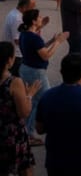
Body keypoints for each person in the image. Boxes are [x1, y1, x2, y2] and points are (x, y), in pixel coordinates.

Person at [19, 9, 67, 146]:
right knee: (46, 99)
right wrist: (58, 42)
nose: (41, 19)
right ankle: (33, 130)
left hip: (27, 68)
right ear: (33, 21)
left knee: (34, 100)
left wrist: (52, 40)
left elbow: (40, 48)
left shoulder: (26, 34)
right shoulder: (33, 37)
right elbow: (45, 55)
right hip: (35, 71)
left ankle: (28, 131)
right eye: (38, 17)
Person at [0, 41, 40, 176]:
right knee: (25, 169)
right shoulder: (14, 82)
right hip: (12, 134)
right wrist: (29, 95)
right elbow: (24, 112)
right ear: (9, 60)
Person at [2, 0, 35, 76]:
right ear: (24, 7)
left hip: (13, 53)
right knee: (16, 79)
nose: (32, 11)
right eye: (31, 8)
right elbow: (17, 40)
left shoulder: (14, 13)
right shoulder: (18, 18)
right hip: (16, 55)